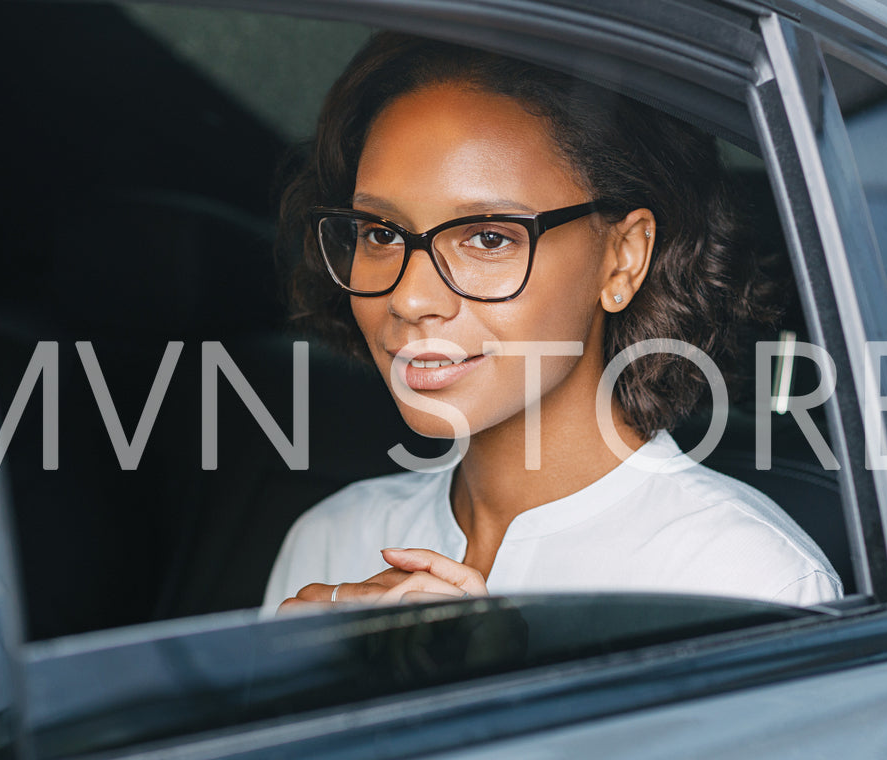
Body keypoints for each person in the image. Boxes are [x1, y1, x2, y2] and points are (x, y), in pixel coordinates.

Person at [263, 33, 841, 613]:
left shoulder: (744, 581)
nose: (410, 299)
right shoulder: (328, 543)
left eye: (489, 238)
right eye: (381, 233)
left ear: (623, 258)